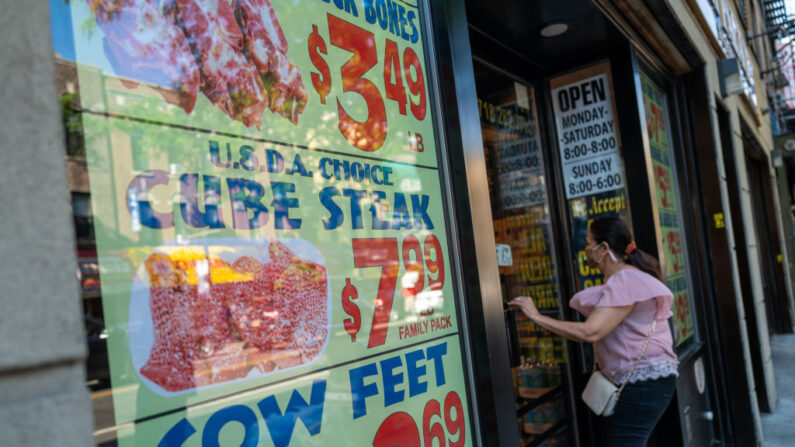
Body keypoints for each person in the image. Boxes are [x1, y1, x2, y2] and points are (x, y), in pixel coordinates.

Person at [509, 217, 678, 446]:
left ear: (604, 248)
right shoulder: (625, 278)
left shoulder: (625, 280)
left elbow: (591, 332)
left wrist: (537, 317)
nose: (585, 249)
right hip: (645, 381)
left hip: (643, 382)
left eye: (589, 243)